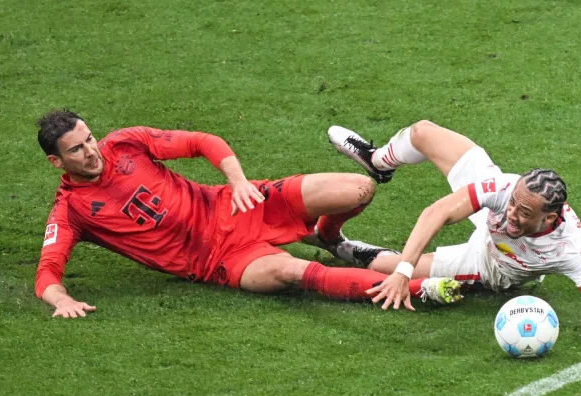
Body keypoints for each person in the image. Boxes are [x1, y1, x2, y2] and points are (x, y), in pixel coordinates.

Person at [33, 110, 463, 318]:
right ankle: (422, 289)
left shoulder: (125, 143)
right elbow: (47, 273)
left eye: (89, 137)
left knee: (359, 187)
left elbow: (203, 141)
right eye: (77, 149)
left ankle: (330, 238)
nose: (92, 151)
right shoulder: (69, 211)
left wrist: (237, 181)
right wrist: (62, 299)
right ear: (57, 162)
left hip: (236, 204)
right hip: (219, 261)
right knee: (294, 274)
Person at [328, 120, 581, 340]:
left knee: (384, 269)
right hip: (491, 223)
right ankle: (378, 162)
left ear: (548, 219)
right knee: (422, 133)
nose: (512, 215)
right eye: (513, 205)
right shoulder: (505, 191)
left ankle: (334, 244)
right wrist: (405, 271)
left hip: (493, 264)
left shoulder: (569, 249)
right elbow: (438, 212)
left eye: (524, 213)